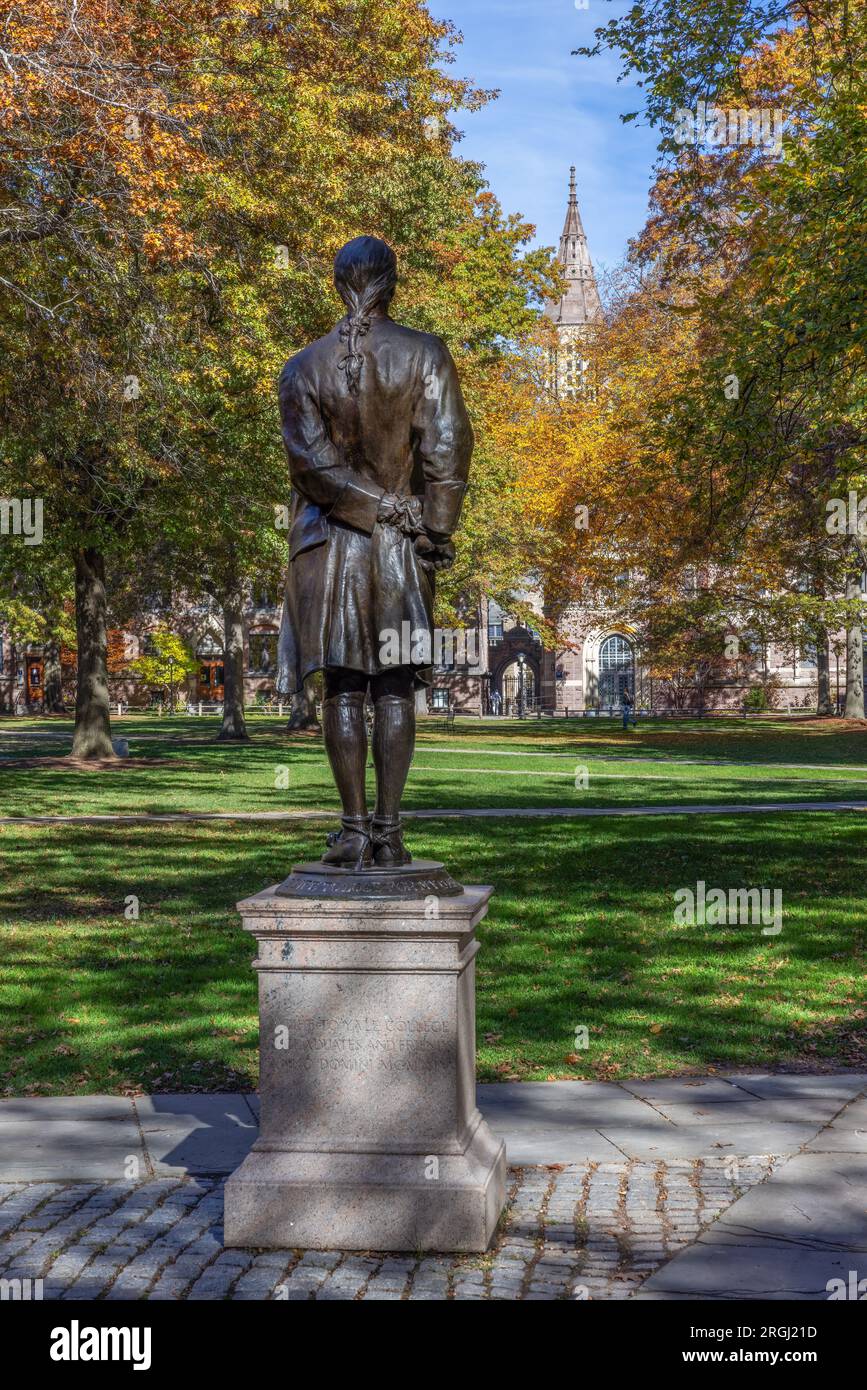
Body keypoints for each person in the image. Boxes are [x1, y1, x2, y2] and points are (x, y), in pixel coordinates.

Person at [276, 236, 473, 869]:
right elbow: (447, 448)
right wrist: (432, 530)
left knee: (342, 685)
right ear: (393, 284)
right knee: (391, 686)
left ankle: (355, 828)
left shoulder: (302, 366)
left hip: (328, 544)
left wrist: (376, 508)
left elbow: (311, 466)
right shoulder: (425, 354)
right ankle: (386, 832)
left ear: (339, 285)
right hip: (395, 546)